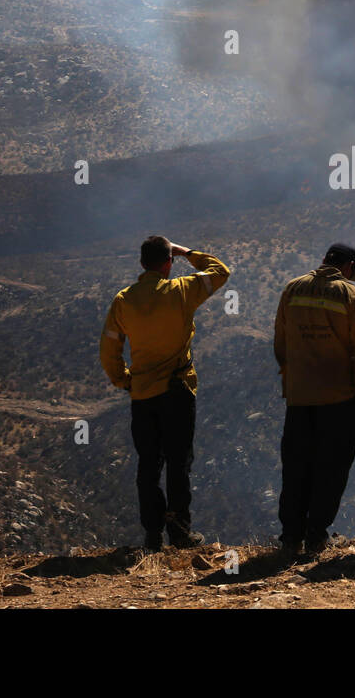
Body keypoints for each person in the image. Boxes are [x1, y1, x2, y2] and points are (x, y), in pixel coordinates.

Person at [100, 236, 229, 551]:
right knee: (178, 462)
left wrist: (124, 379)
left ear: (142, 264)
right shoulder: (182, 291)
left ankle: (152, 534)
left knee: (148, 464)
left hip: (143, 394)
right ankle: (181, 531)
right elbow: (220, 271)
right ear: (168, 262)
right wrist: (186, 251)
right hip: (177, 391)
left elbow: (109, 348)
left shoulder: (123, 300)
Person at [272, 243, 355, 559]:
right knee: (331, 467)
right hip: (338, 396)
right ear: (349, 265)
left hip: (299, 397)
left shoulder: (292, 288)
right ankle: (316, 536)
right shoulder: (351, 296)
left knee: (296, 465)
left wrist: (291, 377)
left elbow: (281, 341)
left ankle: (291, 537)